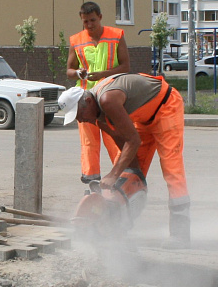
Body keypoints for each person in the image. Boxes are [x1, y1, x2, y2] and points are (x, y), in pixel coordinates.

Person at [64, 70, 190, 245]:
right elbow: (123, 144)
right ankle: (116, 226)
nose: (81, 121)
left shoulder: (108, 101)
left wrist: (114, 175)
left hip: (166, 106)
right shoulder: (98, 115)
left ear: (87, 101)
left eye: (80, 115)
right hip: (144, 116)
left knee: (171, 166)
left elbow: (133, 140)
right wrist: (133, 177)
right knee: (128, 172)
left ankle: (180, 234)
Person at [66, 2, 130, 185]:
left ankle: (122, 178)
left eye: (92, 20)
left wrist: (103, 75)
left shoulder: (116, 35)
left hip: (111, 96)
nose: (89, 25)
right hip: (86, 99)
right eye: (85, 22)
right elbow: (69, 71)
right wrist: (78, 73)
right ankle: (91, 181)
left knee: (114, 137)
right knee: (89, 141)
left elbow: (125, 67)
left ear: (100, 17)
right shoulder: (76, 40)